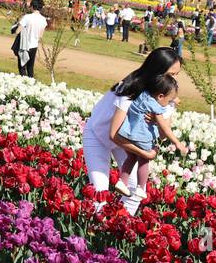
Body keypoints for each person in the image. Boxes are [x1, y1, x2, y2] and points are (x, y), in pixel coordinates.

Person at [81, 47, 183, 214]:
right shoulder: (130, 89)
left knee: (136, 190)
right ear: (156, 72)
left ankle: (118, 227)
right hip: (98, 136)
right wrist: (146, 154)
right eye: (171, 75)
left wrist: (159, 120)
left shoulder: (162, 96)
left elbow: (164, 135)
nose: (175, 80)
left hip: (126, 141)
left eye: (177, 75)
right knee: (100, 191)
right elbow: (113, 134)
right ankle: (96, 230)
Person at [111, 74, 189, 198]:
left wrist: (172, 100)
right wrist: (176, 142)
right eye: (168, 101)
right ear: (160, 96)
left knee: (131, 158)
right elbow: (164, 127)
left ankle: (122, 182)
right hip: (142, 138)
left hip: (127, 133)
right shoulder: (155, 107)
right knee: (144, 161)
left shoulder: (141, 94)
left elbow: (161, 97)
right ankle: (141, 187)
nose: (167, 104)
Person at [11, 0, 48, 78]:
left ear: (32, 6)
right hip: (34, 46)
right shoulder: (43, 20)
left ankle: (23, 83)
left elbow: (17, 31)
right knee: (30, 67)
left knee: (22, 66)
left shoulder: (27, 17)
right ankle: (30, 83)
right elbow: (40, 36)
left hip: (24, 45)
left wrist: (16, 26)